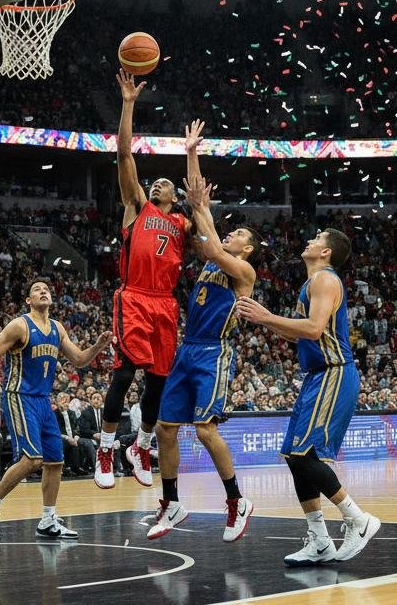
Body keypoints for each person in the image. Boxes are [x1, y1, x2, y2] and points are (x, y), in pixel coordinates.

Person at [235, 229, 379, 567]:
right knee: (293, 455)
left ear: (326, 252)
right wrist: (265, 320)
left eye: (317, 238)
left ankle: (358, 519)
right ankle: (320, 540)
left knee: (305, 457)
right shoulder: (312, 282)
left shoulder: (325, 279)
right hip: (317, 375)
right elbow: (300, 335)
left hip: (334, 372)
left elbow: (313, 329)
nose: (310, 240)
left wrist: (265, 316)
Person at [96, 70, 191, 490]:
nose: (157, 186)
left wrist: (191, 155)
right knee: (124, 373)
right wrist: (128, 103)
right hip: (134, 296)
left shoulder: (183, 224)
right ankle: (106, 448)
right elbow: (123, 155)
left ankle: (142, 446)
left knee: (159, 380)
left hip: (165, 302)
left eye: (164, 184)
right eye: (154, 183)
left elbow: (204, 220)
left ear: (175, 197)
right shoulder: (137, 206)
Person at [148, 171, 255, 542]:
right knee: (164, 428)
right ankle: (172, 502)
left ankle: (237, 501)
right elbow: (203, 213)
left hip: (214, 350)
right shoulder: (215, 257)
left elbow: (210, 242)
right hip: (188, 347)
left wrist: (199, 208)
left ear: (248, 249)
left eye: (238, 234)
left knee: (205, 429)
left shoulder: (243, 270)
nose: (231, 235)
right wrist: (192, 154)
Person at [0, 278, 110, 541]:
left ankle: (48, 520)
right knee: (32, 459)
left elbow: (79, 359)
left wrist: (98, 346)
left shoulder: (57, 328)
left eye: (46, 289)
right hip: (19, 396)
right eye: (37, 289)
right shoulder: (19, 325)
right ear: (28, 300)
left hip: (44, 400)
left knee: (55, 461)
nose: (43, 291)